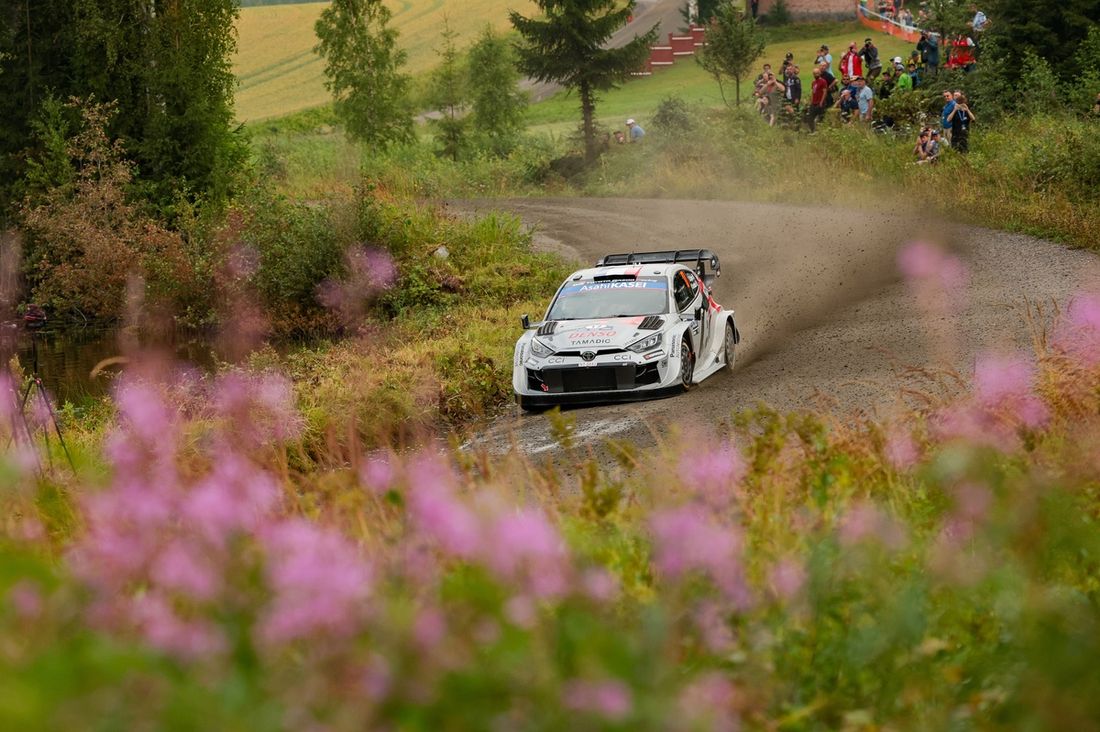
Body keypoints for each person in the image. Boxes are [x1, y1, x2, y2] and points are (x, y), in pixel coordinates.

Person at [806, 67, 829, 133]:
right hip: (814, 102)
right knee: (810, 117)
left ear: (820, 73)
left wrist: (821, 102)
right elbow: (813, 92)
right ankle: (813, 131)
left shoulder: (823, 81)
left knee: (820, 118)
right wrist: (811, 101)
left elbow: (825, 92)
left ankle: (821, 131)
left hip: (820, 102)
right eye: (814, 73)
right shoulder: (813, 82)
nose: (816, 74)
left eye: (817, 73)